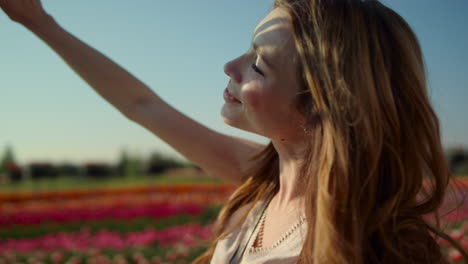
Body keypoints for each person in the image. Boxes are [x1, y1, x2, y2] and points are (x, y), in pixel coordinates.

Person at [1, 0, 466, 263]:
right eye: (248, 49)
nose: (230, 66)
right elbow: (142, 105)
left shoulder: (366, 245)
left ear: (320, 107)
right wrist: (41, 23)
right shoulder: (263, 178)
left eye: (258, 65)